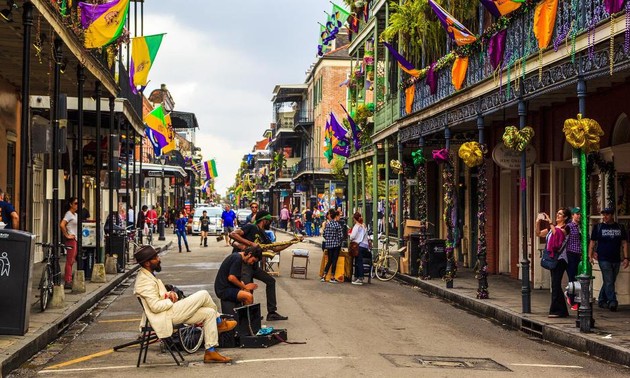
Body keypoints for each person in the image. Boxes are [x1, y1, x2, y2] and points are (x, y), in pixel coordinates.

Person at [133, 245, 236, 363]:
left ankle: (210, 352)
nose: (159, 259)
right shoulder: (144, 281)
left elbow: (157, 297)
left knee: (209, 313)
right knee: (203, 294)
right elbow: (155, 307)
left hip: (168, 312)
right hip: (165, 316)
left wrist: (169, 294)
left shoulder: (148, 275)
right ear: (147, 263)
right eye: (156, 257)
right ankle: (219, 322)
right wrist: (170, 300)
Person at [229, 210, 289, 321]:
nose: (270, 223)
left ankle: (271, 313)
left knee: (270, 281)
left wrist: (290, 243)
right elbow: (232, 234)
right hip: (244, 263)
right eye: (269, 221)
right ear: (264, 220)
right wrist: (250, 243)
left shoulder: (264, 235)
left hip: (254, 265)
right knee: (247, 288)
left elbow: (274, 248)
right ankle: (247, 316)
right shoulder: (251, 227)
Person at [589, 207, 630, 312]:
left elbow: (624, 243)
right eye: (604, 214)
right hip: (603, 258)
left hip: (616, 258)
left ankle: (602, 300)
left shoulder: (620, 227)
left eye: (607, 214)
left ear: (612, 215)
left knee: (610, 280)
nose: (605, 217)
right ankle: (612, 301)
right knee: (609, 279)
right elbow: (592, 242)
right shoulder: (598, 227)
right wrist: (591, 254)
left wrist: (626, 258)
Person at [536, 208, 570, 318]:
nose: (557, 215)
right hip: (553, 259)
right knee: (555, 284)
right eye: (557, 213)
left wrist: (550, 222)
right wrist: (538, 222)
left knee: (555, 284)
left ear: (565, 217)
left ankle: (556, 310)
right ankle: (562, 310)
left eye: (560, 214)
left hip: (560, 260)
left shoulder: (565, 228)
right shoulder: (552, 228)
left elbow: (558, 235)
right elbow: (539, 234)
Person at [564, 207, 583, 310]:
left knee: (579, 278)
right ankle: (572, 301)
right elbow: (562, 236)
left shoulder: (580, 226)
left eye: (580, 214)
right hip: (570, 253)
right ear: (572, 215)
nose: (579, 216)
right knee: (572, 277)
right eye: (577, 214)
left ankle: (573, 296)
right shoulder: (569, 226)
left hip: (579, 254)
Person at [60, 197, 79, 290]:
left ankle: (69, 278)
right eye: (75, 203)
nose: (77, 205)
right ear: (71, 204)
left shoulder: (75, 215)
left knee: (72, 260)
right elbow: (62, 224)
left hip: (75, 239)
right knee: (69, 260)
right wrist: (67, 235)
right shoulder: (68, 214)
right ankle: (68, 280)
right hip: (71, 239)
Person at [321, 209, 344, 283]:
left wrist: (329, 239)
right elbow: (341, 236)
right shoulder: (337, 225)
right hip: (336, 245)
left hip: (329, 245)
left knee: (330, 260)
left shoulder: (328, 224)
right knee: (334, 261)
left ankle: (324, 276)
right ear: (335, 216)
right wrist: (337, 240)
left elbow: (324, 234)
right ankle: (332, 277)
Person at [350, 212, 370, 285]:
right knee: (359, 261)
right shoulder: (364, 225)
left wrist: (350, 235)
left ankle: (360, 278)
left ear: (354, 219)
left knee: (359, 262)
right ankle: (356, 277)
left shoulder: (356, 226)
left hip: (359, 246)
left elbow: (352, 236)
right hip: (365, 246)